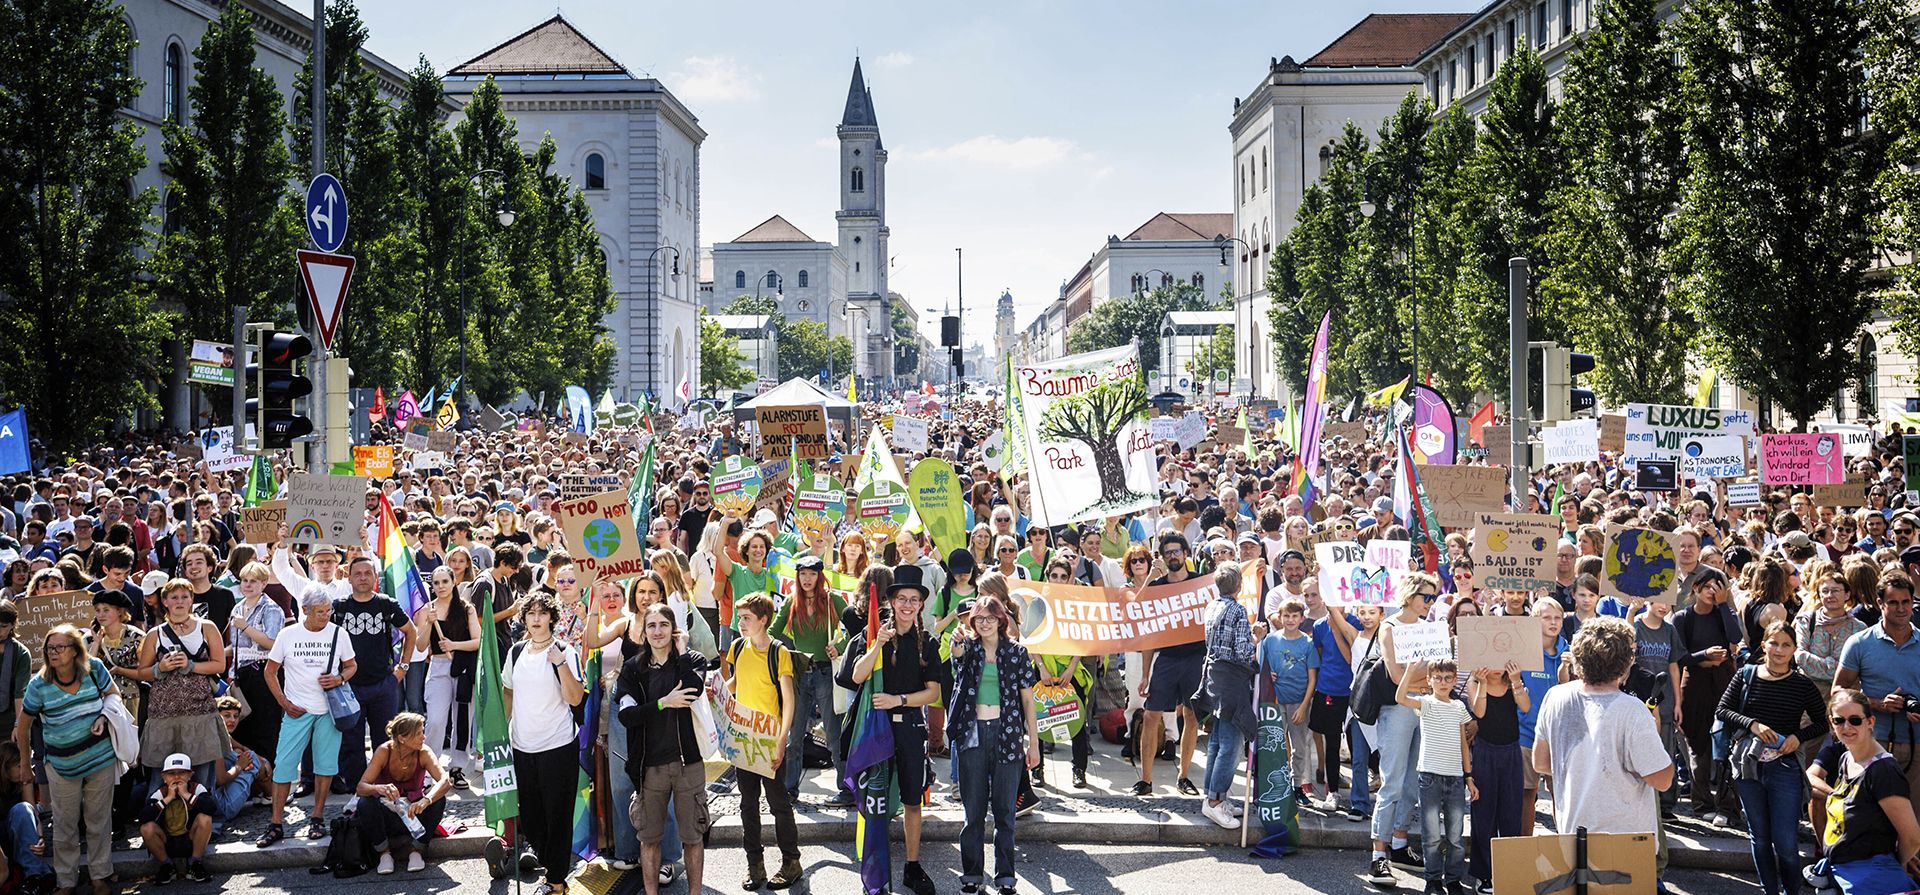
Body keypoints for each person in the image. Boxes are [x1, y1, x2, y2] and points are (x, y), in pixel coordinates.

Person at [839, 564, 948, 895]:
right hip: (878, 733)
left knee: (912, 801)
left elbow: (933, 692)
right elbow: (855, 677)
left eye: (914, 600)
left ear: (920, 605)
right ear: (892, 601)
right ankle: (875, 868)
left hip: (911, 730)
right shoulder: (872, 635)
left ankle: (912, 867)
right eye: (902, 598)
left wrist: (898, 698)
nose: (907, 605)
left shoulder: (926, 642)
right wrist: (876, 646)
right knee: (876, 803)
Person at [1533, 616, 1675, 865]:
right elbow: (1662, 780)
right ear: (1626, 663)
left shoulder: (1554, 697)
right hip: (1624, 843)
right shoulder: (1633, 710)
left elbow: (1541, 763)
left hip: (1572, 837)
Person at [1717, 621, 1828, 895]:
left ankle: (1792, 891)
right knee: (1760, 838)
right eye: (1774, 643)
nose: (1779, 650)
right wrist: (1752, 724)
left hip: (1785, 768)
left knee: (1786, 842)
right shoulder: (1746, 675)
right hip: (1748, 767)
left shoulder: (1802, 684)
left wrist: (1797, 737)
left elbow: (1822, 723)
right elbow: (1722, 710)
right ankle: (1769, 890)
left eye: (1786, 645)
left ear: (1794, 649)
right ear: (1764, 644)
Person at [946, 595, 1040, 895]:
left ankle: (1005, 876)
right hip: (972, 733)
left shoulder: (1017, 653)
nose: (984, 622)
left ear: (1001, 620)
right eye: (979, 618)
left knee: (1005, 813)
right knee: (973, 812)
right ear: (972, 621)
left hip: (1008, 733)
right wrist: (956, 645)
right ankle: (972, 874)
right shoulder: (969, 648)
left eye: (990, 617)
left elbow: (1028, 699)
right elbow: (957, 659)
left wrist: (1033, 743)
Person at [615, 603, 710, 895]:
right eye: (652, 626)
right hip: (649, 767)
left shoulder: (692, 660)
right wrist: (662, 703)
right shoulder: (633, 669)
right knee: (649, 837)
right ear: (643, 632)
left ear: (674, 630)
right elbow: (626, 716)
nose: (657, 632)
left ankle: (695, 893)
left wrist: (681, 653)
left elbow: (694, 689)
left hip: (688, 763)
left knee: (693, 836)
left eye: (664, 625)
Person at [19, 625, 121, 895]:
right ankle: (66, 881)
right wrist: (23, 763)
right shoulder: (38, 684)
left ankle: (100, 875)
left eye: (59, 647)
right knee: (65, 824)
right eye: (49, 648)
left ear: (75, 651)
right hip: (61, 765)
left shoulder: (95, 668)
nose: (53, 653)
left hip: (100, 759)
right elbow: (23, 726)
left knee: (98, 821)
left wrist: (103, 716)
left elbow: (113, 694)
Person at [258, 589, 355, 847]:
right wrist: (284, 703)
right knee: (283, 767)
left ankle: (317, 817)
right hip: (297, 710)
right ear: (305, 611)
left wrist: (340, 678)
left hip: (329, 710)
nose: (326, 615)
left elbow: (352, 665)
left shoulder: (338, 633)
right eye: (320, 611)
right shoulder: (288, 635)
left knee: (325, 768)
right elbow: (270, 672)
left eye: (328, 610)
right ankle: (276, 823)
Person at [502, 592, 585, 895]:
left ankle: (556, 881)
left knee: (557, 815)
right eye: (531, 614)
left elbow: (575, 697)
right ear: (524, 618)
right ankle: (549, 865)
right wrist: (499, 735)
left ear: (552, 617)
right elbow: (508, 692)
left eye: (542, 613)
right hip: (523, 746)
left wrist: (561, 663)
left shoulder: (565, 650)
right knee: (534, 818)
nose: (536, 619)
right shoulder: (516, 652)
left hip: (558, 745)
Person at [1367, 572, 1440, 886]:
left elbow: (1439, 675)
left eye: (1434, 598)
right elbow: (1397, 677)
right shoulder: (1390, 626)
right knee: (1392, 782)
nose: (1430, 603)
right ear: (1411, 595)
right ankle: (1378, 856)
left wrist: (1420, 678)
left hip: (1422, 707)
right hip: (1397, 710)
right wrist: (1421, 676)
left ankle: (1398, 844)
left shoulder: (1428, 628)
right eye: (1427, 596)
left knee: (1413, 783)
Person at [1809, 688, 1920, 894]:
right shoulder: (1846, 758)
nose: (1847, 727)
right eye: (1838, 720)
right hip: (1845, 873)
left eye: (1855, 720)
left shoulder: (1883, 770)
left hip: (1872, 880)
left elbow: (1912, 837)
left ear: (1870, 722)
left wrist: (1892, 862)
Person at [724, 592, 801, 889]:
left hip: (769, 738)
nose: (740, 623)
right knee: (747, 804)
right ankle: (754, 865)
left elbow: (789, 699)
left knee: (779, 803)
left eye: (746, 618)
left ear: (763, 620)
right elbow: (737, 682)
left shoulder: (778, 651)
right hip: (745, 737)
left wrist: (782, 740)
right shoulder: (737, 647)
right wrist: (719, 690)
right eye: (740, 617)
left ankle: (791, 862)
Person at [1833, 571, 1920, 807]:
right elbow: (1838, 691)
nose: (1901, 608)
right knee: (1868, 818)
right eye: (1893, 602)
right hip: (1872, 742)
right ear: (1880, 603)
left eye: (1906, 602)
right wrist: (1878, 704)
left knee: (1913, 825)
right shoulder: (1860, 643)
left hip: (1917, 745)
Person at [331, 555, 415, 792]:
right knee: (351, 743)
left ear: (375, 577)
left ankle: (386, 785)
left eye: (368, 573)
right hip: (349, 687)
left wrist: (403, 668)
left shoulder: (386, 604)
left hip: (383, 685)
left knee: (386, 741)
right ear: (349, 578)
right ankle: (357, 790)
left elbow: (411, 631)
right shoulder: (339, 607)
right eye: (357, 573)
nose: (363, 577)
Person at [134, 578, 228, 790]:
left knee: (202, 777)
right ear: (164, 601)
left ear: (192, 600)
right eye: (174, 597)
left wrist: (191, 665)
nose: (180, 601)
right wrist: (161, 668)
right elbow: (142, 672)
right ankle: (158, 821)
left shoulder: (207, 628)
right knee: (160, 778)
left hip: (200, 712)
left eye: (185, 597)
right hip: (163, 715)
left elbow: (219, 665)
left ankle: (203, 821)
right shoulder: (154, 634)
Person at [770, 555, 847, 804]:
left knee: (834, 736)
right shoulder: (791, 602)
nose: (807, 579)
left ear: (820, 576)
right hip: (799, 673)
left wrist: (840, 646)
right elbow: (772, 632)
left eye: (812, 574)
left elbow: (855, 629)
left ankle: (846, 789)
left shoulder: (832, 599)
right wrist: (781, 653)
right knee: (794, 737)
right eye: (803, 573)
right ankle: (789, 789)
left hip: (826, 672)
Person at [1395, 658, 1473, 895]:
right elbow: (1400, 698)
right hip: (1429, 776)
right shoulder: (1426, 703)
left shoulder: (1459, 707)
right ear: (1429, 680)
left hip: (1455, 778)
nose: (1442, 682)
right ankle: (1432, 880)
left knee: (1455, 836)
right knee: (1431, 835)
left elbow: (1463, 745)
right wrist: (1409, 671)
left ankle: (1453, 880)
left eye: (1448, 678)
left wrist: (1469, 776)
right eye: (1437, 678)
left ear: (1453, 680)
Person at [1134, 533, 1203, 797]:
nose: (1172, 556)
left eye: (1176, 551)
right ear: (1162, 558)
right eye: (1167, 553)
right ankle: (1146, 780)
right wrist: (1144, 674)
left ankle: (1184, 777)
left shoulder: (1200, 582)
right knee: (1151, 716)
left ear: (1186, 553)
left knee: (1191, 716)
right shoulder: (1157, 586)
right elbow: (1141, 619)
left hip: (1195, 658)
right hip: (1166, 660)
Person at [1201, 562, 1260, 829]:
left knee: (1216, 741)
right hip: (1232, 680)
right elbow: (1242, 652)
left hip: (1214, 677)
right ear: (1238, 586)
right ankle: (1215, 802)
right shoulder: (1237, 610)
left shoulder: (1211, 606)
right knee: (1231, 744)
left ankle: (1214, 797)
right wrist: (1257, 637)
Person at [354, 712, 451, 875]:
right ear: (402, 738)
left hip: (414, 813)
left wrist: (426, 800)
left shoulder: (424, 752)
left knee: (438, 800)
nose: (424, 737)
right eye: (419, 733)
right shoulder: (384, 751)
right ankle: (384, 853)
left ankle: (417, 851)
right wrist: (378, 788)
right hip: (388, 813)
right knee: (365, 803)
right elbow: (361, 787)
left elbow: (445, 781)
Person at [414, 565, 481, 792]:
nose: (441, 586)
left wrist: (454, 645)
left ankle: (457, 767)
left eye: (445, 581)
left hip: (463, 667)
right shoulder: (427, 610)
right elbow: (421, 645)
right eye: (436, 583)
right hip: (439, 667)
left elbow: (478, 641)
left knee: (463, 719)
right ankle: (427, 768)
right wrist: (429, 624)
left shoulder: (466, 609)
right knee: (435, 720)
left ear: (453, 582)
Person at [1467, 660, 1528, 895]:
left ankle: (1509, 870)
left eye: (1500, 662)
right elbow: (1479, 712)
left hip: (1511, 752)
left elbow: (1525, 706)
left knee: (1511, 812)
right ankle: (1484, 875)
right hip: (1485, 752)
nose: (1496, 668)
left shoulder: (1513, 683)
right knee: (1484, 813)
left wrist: (1515, 681)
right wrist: (1481, 682)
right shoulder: (1475, 683)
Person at [1262, 598, 1319, 809]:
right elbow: (1261, 667)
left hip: (1298, 701)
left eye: (1295, 616)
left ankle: (1297, 786)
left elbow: (1313, 677)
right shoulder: (1270, 640)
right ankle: (1277, 785)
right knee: (1275, 745)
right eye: (1286, 616)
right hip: (1276, 700)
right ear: (1280, 617)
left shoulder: (1307, 643)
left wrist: (1305, 705)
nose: (1290, 620)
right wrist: (1269, 674)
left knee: (1300, 747)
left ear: (1302, 618)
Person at [226, 560, 285, 759]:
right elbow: (236, 647)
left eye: (253, 581)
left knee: (266, 728)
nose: (247, 585)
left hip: (264, 671)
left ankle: (269, 779)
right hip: (241, 674)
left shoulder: (271, 608)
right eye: (244, 580)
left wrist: (245, 627)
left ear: (264, 583)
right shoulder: (238, 608)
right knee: (244, 728)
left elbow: (272, 643)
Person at [139, 752, 216, 884]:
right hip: (167, 840)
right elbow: (143, 817)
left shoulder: (197, 788)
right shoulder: (161, 793)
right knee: (146, 828)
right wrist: (167, 799)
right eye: (171, 774)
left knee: (205, 818)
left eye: (181, 773)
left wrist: (186, 795)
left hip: (190, 839)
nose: (176, 777)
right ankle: (167, 865)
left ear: (190, 775)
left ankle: (195, 863)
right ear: (164, 777)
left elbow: (211, 808)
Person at [209, 696, 269, 828]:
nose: (232, 720)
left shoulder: (220, 735)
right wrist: (239, 765)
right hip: (221, 808)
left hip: (213, 801)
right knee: (250, 758)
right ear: (218, 718)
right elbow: (221, 779)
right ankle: (270, 795)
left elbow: (235, 744)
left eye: (236, 716)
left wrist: (260, 758)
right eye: (227, 716)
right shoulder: (215, 740)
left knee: (240, 753)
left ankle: (263, 794)